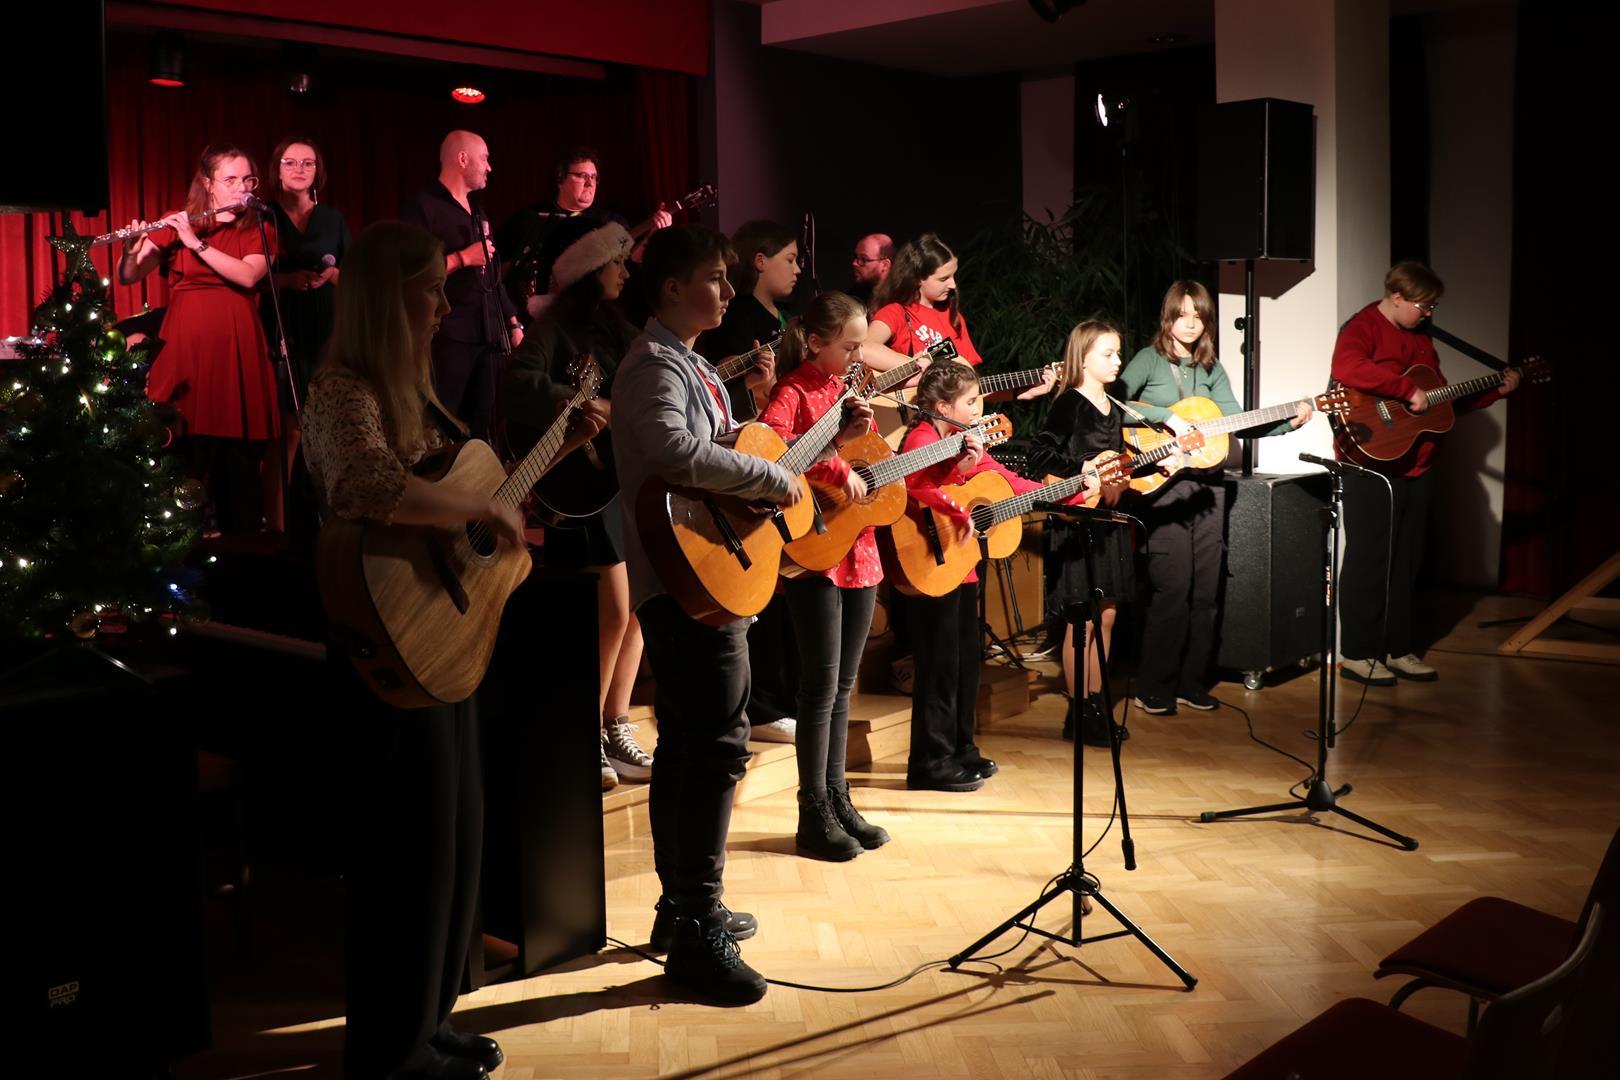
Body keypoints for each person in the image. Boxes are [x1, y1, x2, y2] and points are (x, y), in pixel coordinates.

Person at [301, 221, 550, 1080]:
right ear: (387, 297)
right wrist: (477, 510)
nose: (446, 305)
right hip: (386, 645)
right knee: (405, 856)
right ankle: (389, 1048)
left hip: (441, 641)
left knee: (454, 843)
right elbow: (365, 484)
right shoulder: (340, 388)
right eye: (431, 288)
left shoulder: (411, 389)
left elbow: (449, 488)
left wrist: (492, 502)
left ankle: (429, 1021)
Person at [613, 225, 848, 1004]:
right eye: (713, 277)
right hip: (686, 580)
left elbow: (713, 447)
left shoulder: (685, 362)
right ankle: (696, 929)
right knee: (712, 749)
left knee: (692, 748)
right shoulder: (652, 365)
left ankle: (684, 910)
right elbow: (675, 452)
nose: (725, 289)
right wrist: (770, 479)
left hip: (707, 574)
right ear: (672, 287)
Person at [498, 218, 648, 790]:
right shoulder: (553, 327)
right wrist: (582, 404)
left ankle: (616, 723)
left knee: (637, 607)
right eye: (616, 263)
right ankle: (583, 732)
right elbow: (518, 384)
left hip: (615, 481)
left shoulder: (620, 328)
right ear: (590, 271)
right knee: (613, 609)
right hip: (577, 487)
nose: (625, 272)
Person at [1118, 281, 1311, 716]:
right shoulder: (1149, 360)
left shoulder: (1211, 368)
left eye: (1198, 315)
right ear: (1168, 317)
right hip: (1164, 486)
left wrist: (1288, 422)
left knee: (1206, 590)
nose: (1190, 323)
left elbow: (1236, 420)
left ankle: (1191, 682)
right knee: (1173, 588)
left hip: (1208, 487)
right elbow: (1116, 403)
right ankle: (1154, 685)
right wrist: (1168, 418)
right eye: (1182, 314)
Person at [896, 364, 1092, 791]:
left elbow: (1008, 483)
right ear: (942, 407)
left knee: (966, 663)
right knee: (938, 666)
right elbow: (913, 490)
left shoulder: (966, 439)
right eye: (970, 402)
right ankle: (930, 760)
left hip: (962, 565)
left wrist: (1071, 491)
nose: (978, 408)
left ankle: (960, 747)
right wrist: (957, 472)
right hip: (929, 561)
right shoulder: (921, 440)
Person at [1332, 261, 1518, 685]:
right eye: (1423, 305)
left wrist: (1493, 392)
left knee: (1407, 562)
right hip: (1369, 463)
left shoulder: (1421, 339)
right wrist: (1404, 389)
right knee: (1369, 559)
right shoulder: (1363, 326)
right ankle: (1358, 654)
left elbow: (1435, 403)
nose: (1427, 313)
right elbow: (1347, 368)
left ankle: (1397, 649)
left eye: (1432, 307)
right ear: (1397, 296)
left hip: (1416, 463)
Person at [759, 291, 889, 861]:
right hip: (814, 548)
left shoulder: (842, 390)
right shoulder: (793, 390)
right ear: (815, 342)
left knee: (843, 686)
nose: (860, 355)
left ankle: (838, 798)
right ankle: (812, 811)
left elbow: (863, 453)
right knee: (819, 686)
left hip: (856, 546)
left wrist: (858, 439)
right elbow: (772, 447)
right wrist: (836, 461)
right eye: (851, 346)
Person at [118, 142, 277, 534]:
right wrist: (130, 251)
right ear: (208, 183)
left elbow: (248, 276)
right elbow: (129, 276)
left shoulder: (259, 227)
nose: (242, 188)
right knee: (182, 456)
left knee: (238, 467)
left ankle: (241, 543)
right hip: (185, 348)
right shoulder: (178, 223)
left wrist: (195, 243)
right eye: (231, 180)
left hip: (235, 348)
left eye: (248, 179)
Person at [1028, 321, 1136, 746]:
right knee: (1083, 619)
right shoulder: (1070, 403)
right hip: (1076, 520)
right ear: (1084, 358)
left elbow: (1117, 461)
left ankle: (1098, 703)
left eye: (1118, 353)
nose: (1117, 361)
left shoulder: (1115, 405)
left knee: (1107, 614)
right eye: (1108, 354)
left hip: (1107, 521)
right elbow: (1040, 453)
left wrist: (1125, 477)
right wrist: (1083, 470)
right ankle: (1079, 712)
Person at [399, 130, 522, 440]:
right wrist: (463, 258)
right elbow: (410, 272)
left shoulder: (477, 212)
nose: (489, 167)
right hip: (447, 338)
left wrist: (513, 321)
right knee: (443, 424)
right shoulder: (423, 207)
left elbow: (493, 275)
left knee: (483, 426)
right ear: (463, 158)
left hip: (487, 336)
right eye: (485, 158)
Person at [496, 145, 672, 311]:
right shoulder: (530, 218)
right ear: (560, 178)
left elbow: (631, 260)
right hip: (538, 314)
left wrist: (653, 233)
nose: (590, 183)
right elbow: (503, 271)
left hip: (593, 312)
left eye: (594, 177)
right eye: (582, 176)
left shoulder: (610, 222)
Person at [263, 134, 351, 406]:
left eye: (307, 163)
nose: (299, 169)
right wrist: (286, 280)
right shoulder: (263, 215)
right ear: (277, 170)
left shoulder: (332, 218)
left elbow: (355, 279)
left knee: (326, 405)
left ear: (317, 171)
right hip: (279, 324)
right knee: (287, 409)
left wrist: (331, 274)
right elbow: (247, 278)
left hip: (325, 326)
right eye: (290, 163)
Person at [848, 232, 893, 309]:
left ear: (885, 265)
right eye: (856, 257)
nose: (854, 263)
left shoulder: (902, 299)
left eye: (863, 259)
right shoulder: (852, 299)